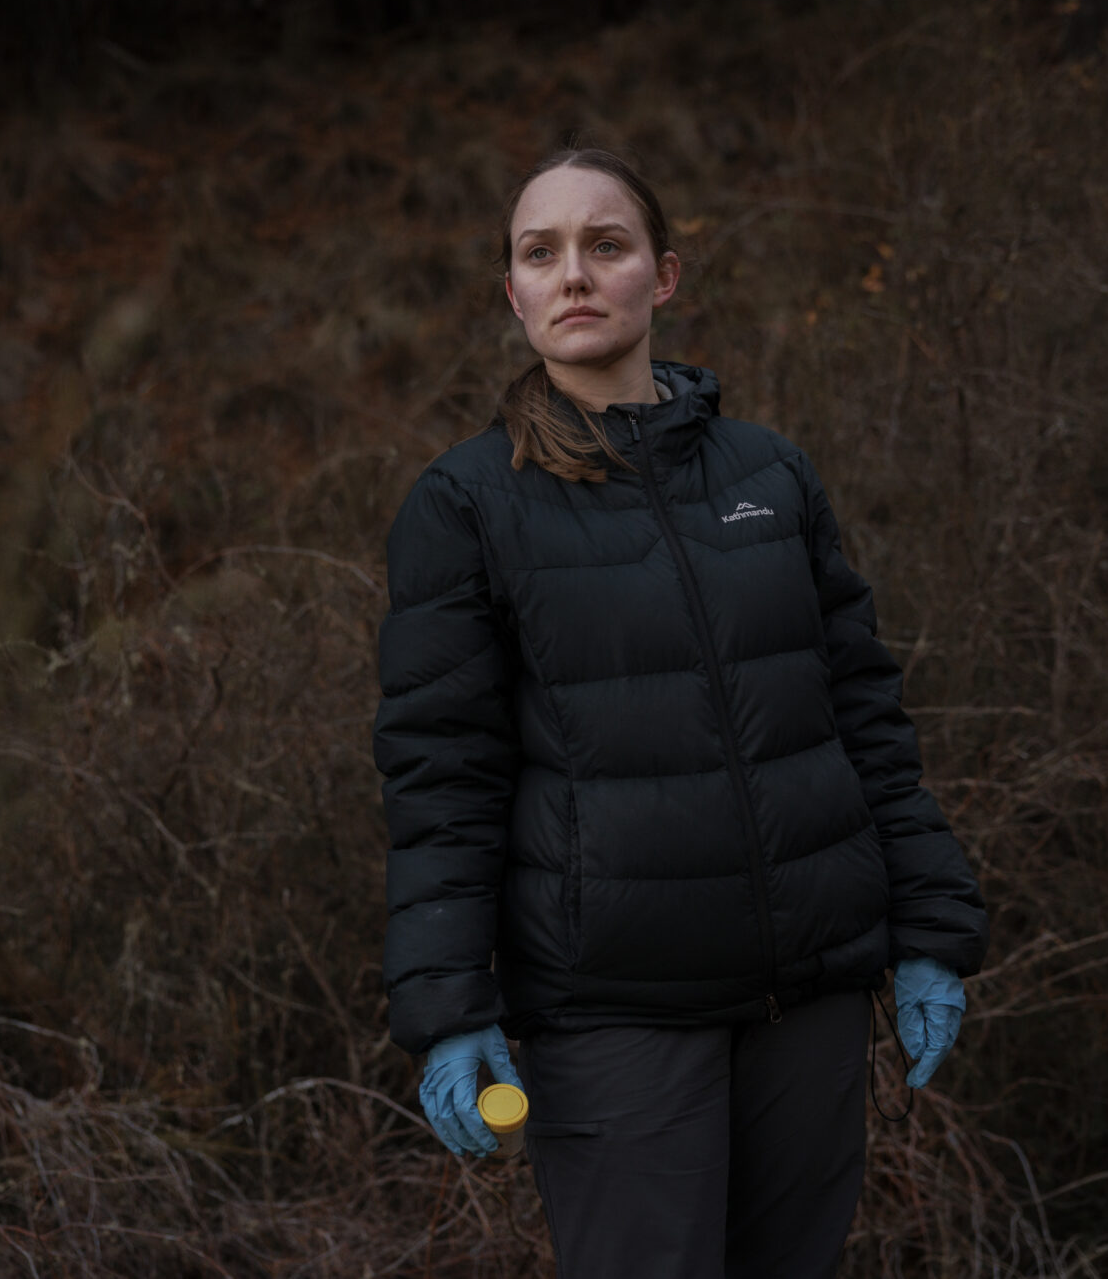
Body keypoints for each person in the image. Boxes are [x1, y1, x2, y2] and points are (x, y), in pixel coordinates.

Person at [373, 148, 989, 1278]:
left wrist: (931, 930)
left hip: (808, 995)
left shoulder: (772, 475)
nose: (572, 273)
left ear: (663, 275)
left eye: (604, 245)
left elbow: (863, 719)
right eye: (540, 253)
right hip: (615, 1013)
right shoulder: (465, 504)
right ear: (512, 294)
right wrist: (450, 1004)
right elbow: (441, 780)